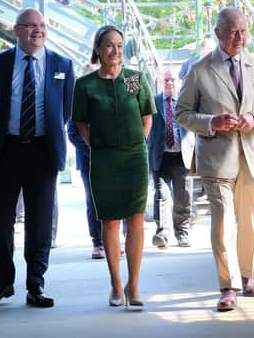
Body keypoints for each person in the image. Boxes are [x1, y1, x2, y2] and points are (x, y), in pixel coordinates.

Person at [175, 7, 254, 312]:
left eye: (243, 31)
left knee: (249, 221)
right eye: (233, 31)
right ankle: (228, 285)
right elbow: (182, 113)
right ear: (218, 33)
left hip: (251, 156)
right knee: (222, 222)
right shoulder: (199, 70)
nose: (239, 37)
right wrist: (211, 122)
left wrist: (253, 118)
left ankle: (247, 275)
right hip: (216, 159)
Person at [0, 8, 75, 309]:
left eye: (42, 25)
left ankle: (36, 285)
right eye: (30, 26)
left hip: (43, 152)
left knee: (40, 223)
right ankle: (1, 284)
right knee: (1, 222)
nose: (38, 31)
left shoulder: (62, 64)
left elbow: (65, 111)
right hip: (7, 151)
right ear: (16, 30)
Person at [72, 25, 154, 310]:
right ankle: (116, 284)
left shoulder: (134, 79)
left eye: (119, 45)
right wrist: (97, 144)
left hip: (134, 158)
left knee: (136, 220)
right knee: (109, 221)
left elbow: (146, 115)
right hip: (104, 159)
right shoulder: (85, 85)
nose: (115, 50)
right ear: (98, 49)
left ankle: (134, 285)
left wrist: (138, 142)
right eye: (109, 45)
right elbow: (80, 123)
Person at [148, 68, 194, 249]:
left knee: (183, 196)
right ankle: (162, 233)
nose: (170, 83)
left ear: (178, 82)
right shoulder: (153, 102)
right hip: (160, 157)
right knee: (162, 195)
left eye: (173, 80)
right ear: (161, 82)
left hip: (182, 156)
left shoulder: (186, 102)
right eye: (166, 80)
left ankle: (182, 232)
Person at [67, 63, 103, 260]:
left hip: (110, 159)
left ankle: (112, 240)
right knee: (93, 201)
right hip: (88, 161)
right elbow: (72, 133)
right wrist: (91, 148)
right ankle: (97, 242)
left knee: (113, 198)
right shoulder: (77, 101)